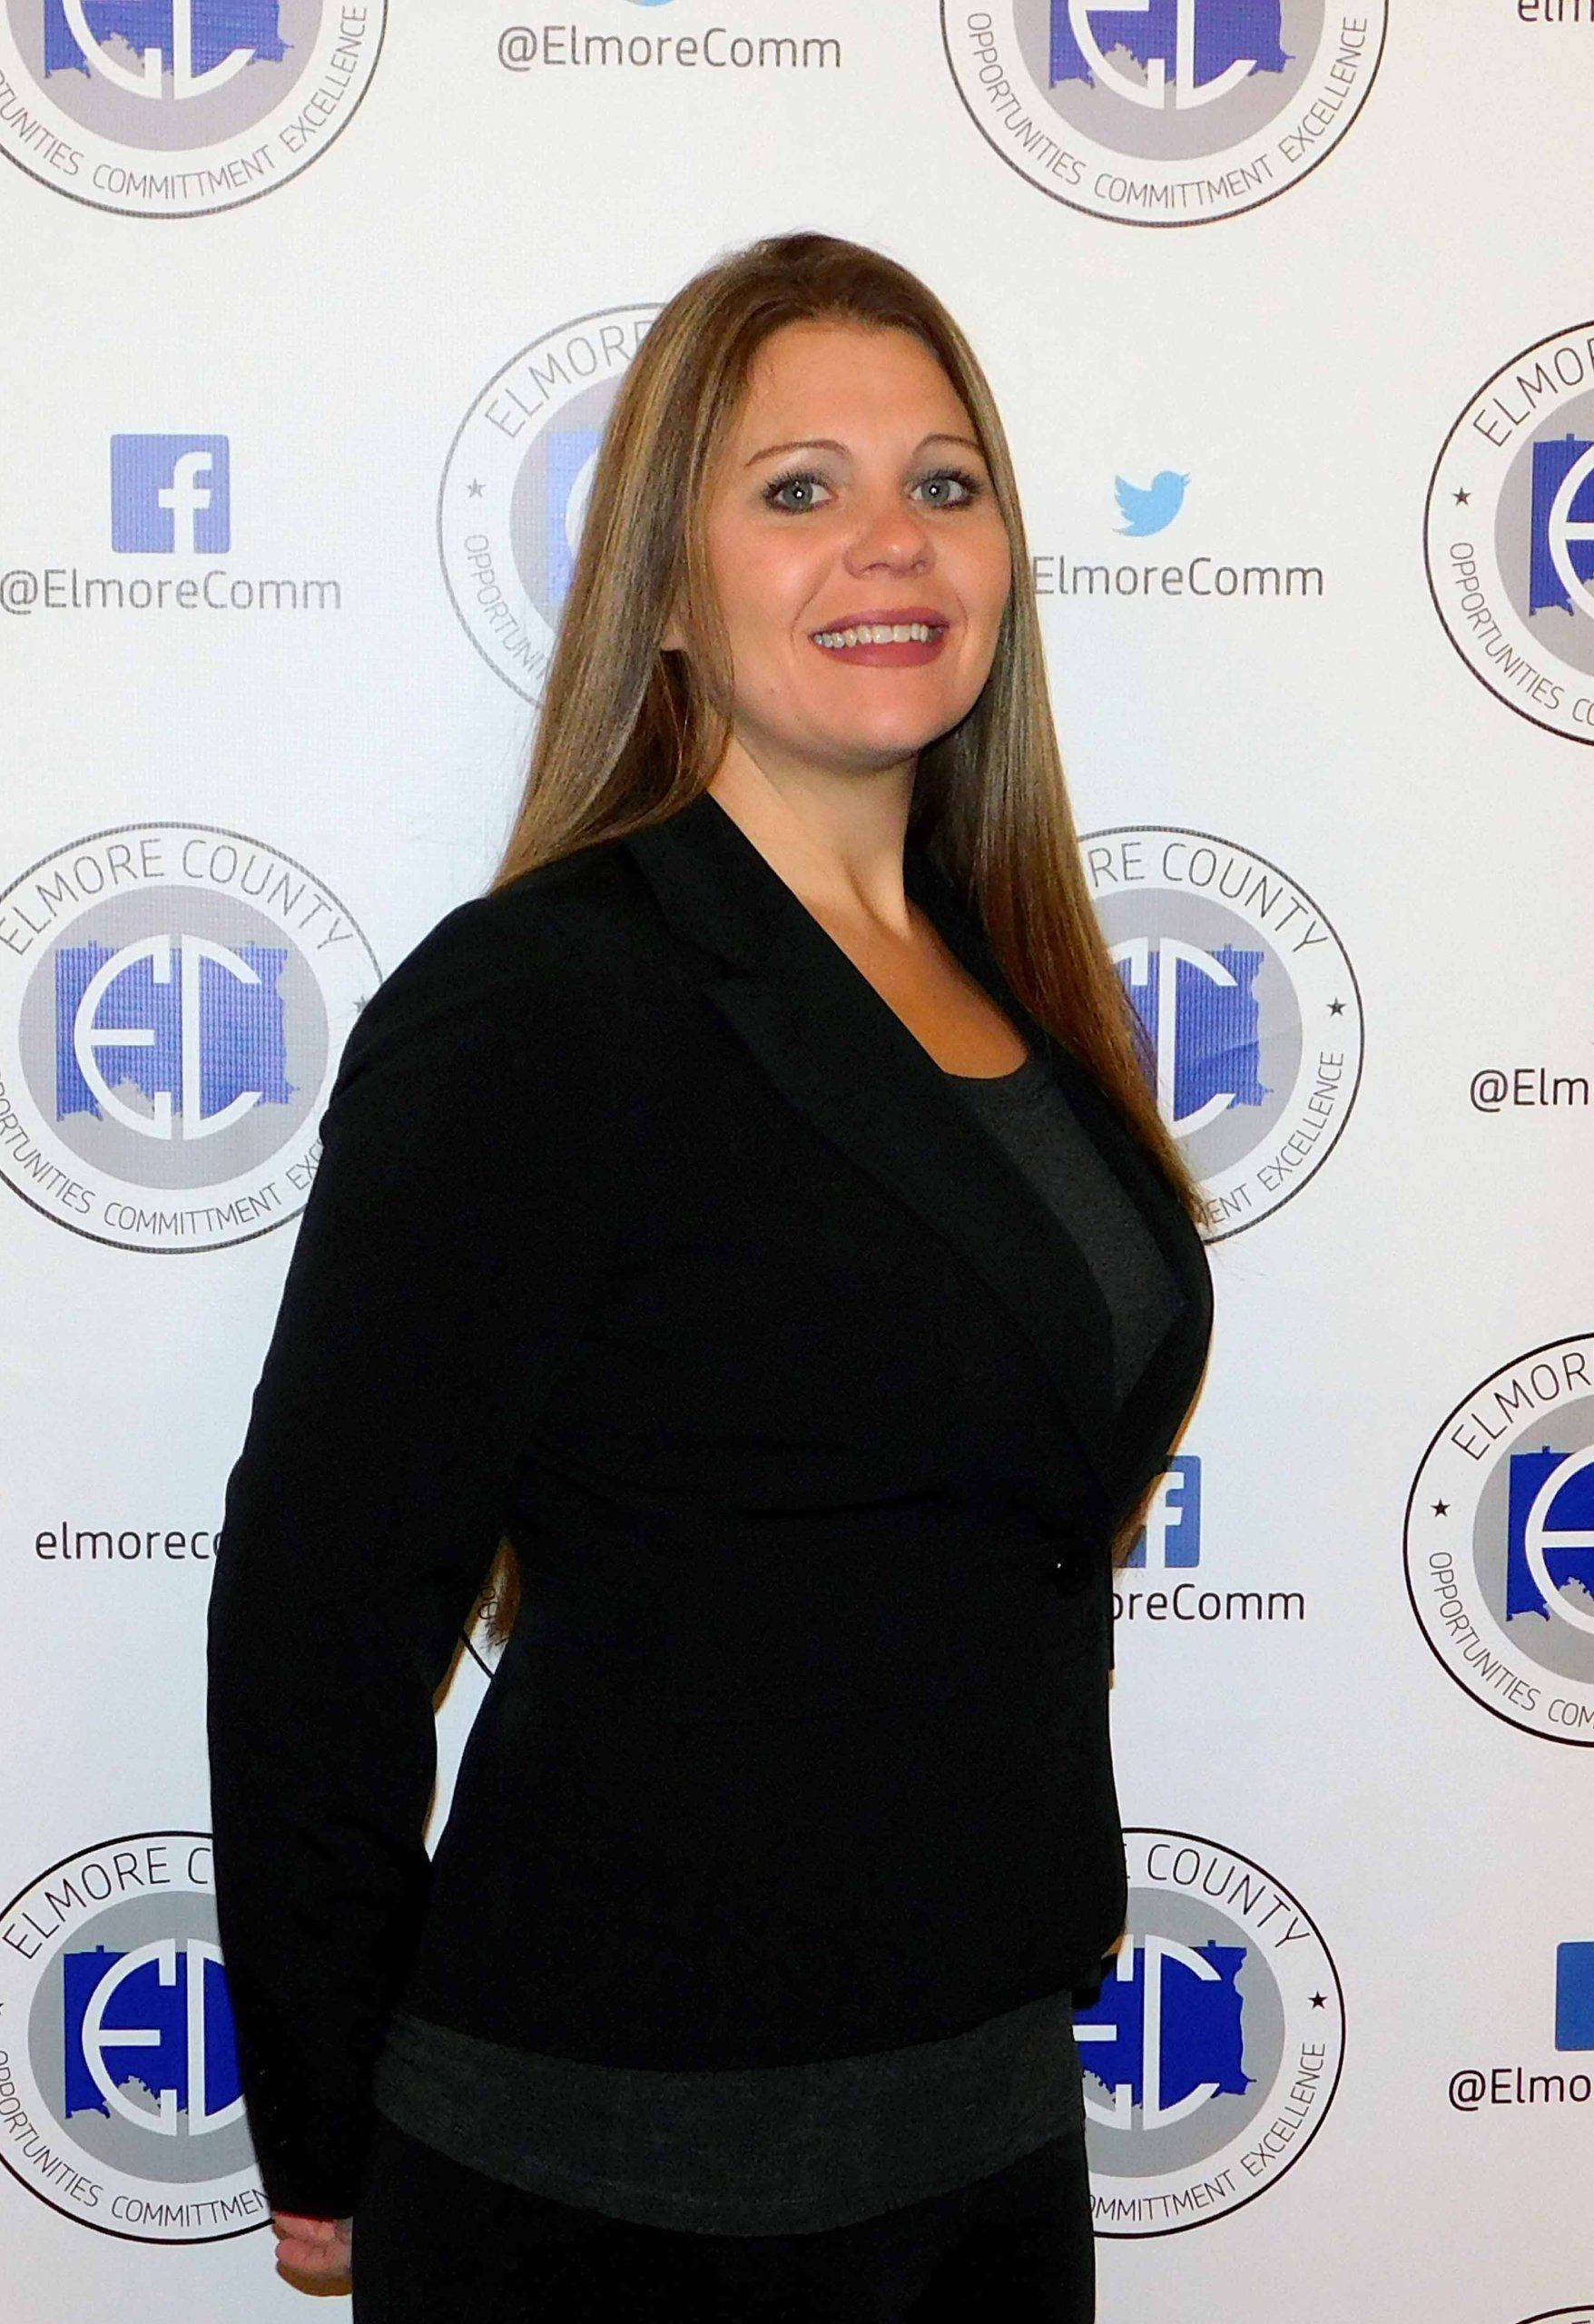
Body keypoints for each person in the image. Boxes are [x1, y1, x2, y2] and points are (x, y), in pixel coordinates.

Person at [204, 228, 1214, 2322]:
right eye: (796, 489)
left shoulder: (1012, 980)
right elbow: (321, 1613)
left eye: (945, 482)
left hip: (989, 2132)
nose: (890, 541)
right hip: (618, 2182)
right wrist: (320, 2123)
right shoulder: (546, 1006)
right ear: (666, 588)